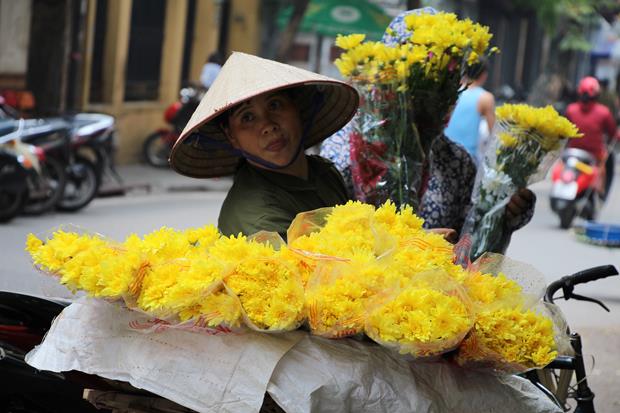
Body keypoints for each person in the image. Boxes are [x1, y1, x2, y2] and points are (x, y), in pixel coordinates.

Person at [321, 7, 535, 252]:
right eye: (418, 75)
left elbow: (471, 245)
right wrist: (415, 244)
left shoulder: (457, 162)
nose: (429, 95)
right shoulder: (345, 152)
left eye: (444, 80)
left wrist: (504, 213)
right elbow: (322, 240)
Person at [169, 52, 359, 238]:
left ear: (297, 109)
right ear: (231, 136)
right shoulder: (260, 220)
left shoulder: (323, 171)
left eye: (275, 105)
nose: (268, 126)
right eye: (248, 117)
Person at [565, 76, 618, 198]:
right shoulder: (604, 112)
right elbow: (613, 132)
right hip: (595, 154)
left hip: (571, 152)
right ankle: (600, 193)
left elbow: (563, 131)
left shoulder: (571, 109)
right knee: (604, 168)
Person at [444, 58, 495, 162]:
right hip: (467, 157)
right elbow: (492, 133)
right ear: (484, 74)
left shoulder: (452, 91)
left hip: (443, 152)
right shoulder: (485, 98)